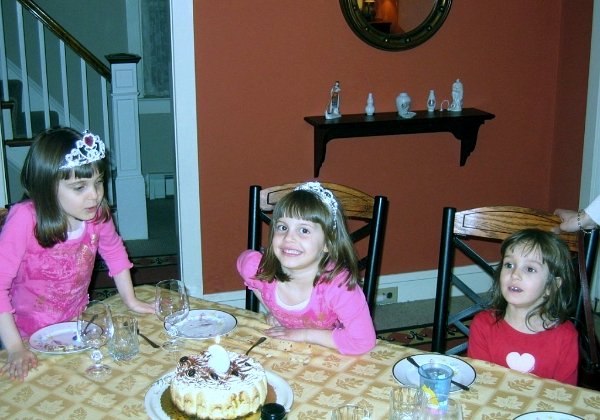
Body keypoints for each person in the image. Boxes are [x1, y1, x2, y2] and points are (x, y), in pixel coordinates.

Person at [0, 127, 154, 381]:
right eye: (79, 187)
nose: (94, 195)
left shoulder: (97, 215)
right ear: (47, 187)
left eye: (98, 182)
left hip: (75, 323)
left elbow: (114, 252)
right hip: (22, 333)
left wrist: (131, 300)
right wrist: (16, 348)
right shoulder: (24, 219)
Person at [237, 182, 376, 355]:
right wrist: (275, 312)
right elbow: (244, 263)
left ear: (327, 243)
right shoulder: (258, 269)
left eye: (304, 230)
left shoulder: (339, 287)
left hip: (328, 351)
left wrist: (303, 334)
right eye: (282, 227)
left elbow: (363, 342)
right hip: (283, 351)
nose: (289, 237)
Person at [467, 229, 579, 385]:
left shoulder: (565, 336)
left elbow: (566, 393)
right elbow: (479, 385)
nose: (514, 274)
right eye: (509, 265)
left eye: (530, 269)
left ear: (552, 286)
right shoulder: (483, 325)